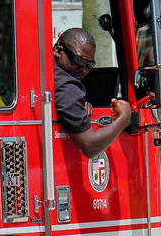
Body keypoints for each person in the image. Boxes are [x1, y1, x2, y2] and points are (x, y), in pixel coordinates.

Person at [53, 28, 131, 158]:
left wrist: (78, 108)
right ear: (59, 51)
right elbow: (89, 146)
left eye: (90, 65)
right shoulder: (67, 86)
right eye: (80, 61)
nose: (84, 70)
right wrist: (124, 118)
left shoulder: (47, 71)